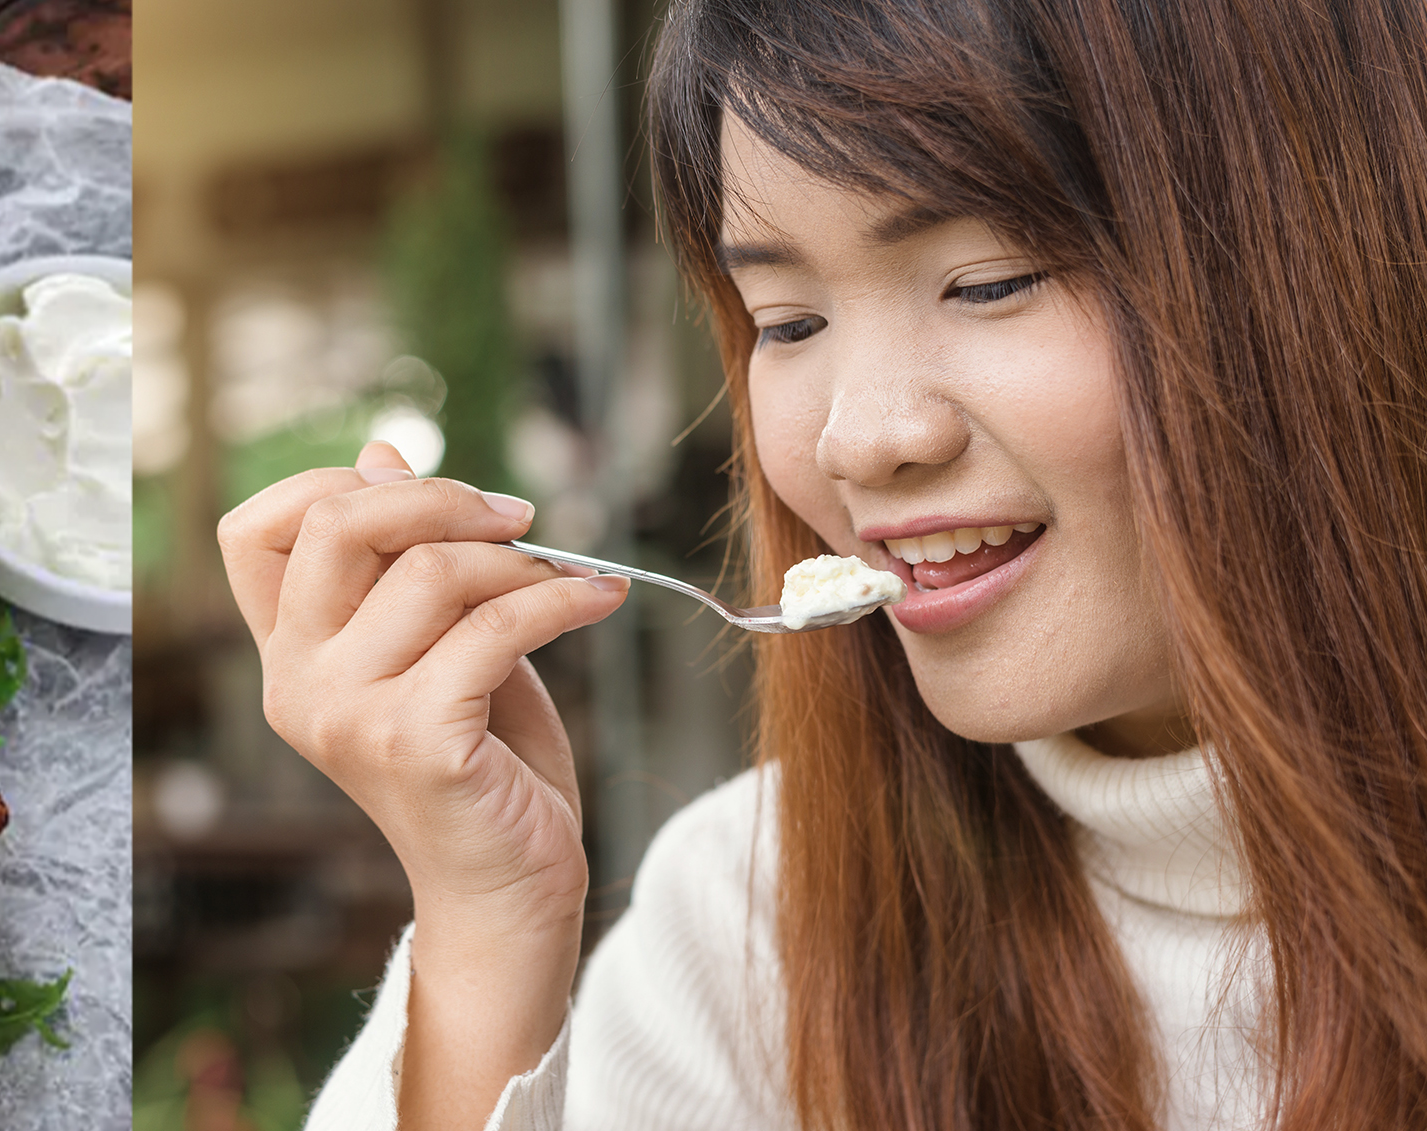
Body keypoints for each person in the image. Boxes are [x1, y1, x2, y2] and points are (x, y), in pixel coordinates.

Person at [217, 0, 1427, 1127]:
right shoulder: (751, 921)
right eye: (785, 324)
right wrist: (488, 932)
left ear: (1333, 258)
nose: (855, 438)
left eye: (988, 281)